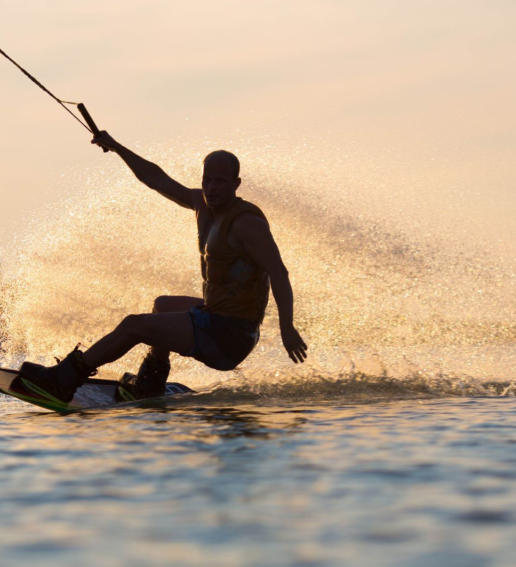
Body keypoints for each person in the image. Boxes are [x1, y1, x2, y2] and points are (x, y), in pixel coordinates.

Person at [19, 131, 308, 403]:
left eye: (220, 181)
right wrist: (117, 147)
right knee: (163, 304)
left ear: (236, 184)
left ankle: (65, 379)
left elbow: (279, 272)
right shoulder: (201, 204)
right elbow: (156, 178)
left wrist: (287, 327)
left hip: (231, 334)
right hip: (217, 316)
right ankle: (150, 383)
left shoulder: (246, 223)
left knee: (135, 325)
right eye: (207, 180)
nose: (211, 188)